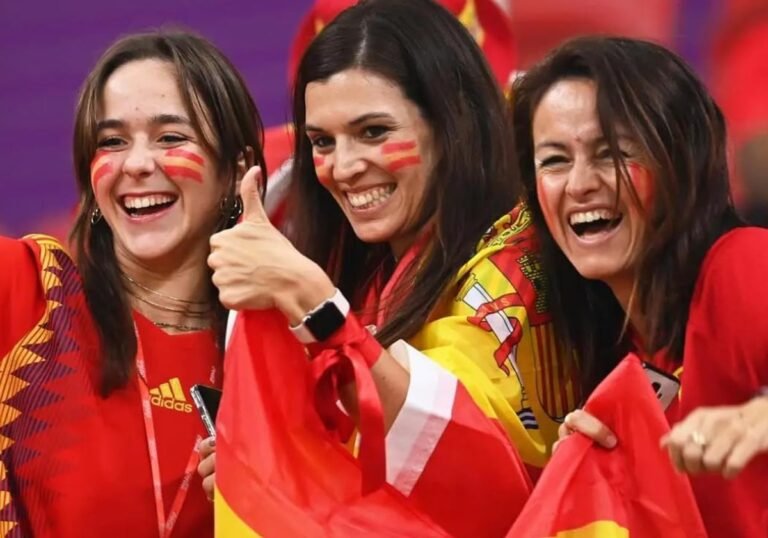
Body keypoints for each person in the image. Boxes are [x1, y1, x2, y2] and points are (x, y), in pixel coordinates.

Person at [202, 0, 577, 535]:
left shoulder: (517, 263)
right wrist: (276, 465)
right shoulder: (379, 269)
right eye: (322, 142)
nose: (345, 168)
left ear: (452, 123)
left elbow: (468, 470)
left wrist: (314, 303)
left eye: (374, 131)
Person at [0, 30, 266, 537]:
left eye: (171, 137)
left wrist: (266, 502)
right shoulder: (27, 294)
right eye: (112, 141)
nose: (137, 163)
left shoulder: (273, 361)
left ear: (236, 171)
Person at [511, 36, 768, 537]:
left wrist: (761, 417)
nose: (580, 183)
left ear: (681, 164)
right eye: (555, 160)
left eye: (612, 153)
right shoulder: (614, 351)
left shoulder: (743, 265)